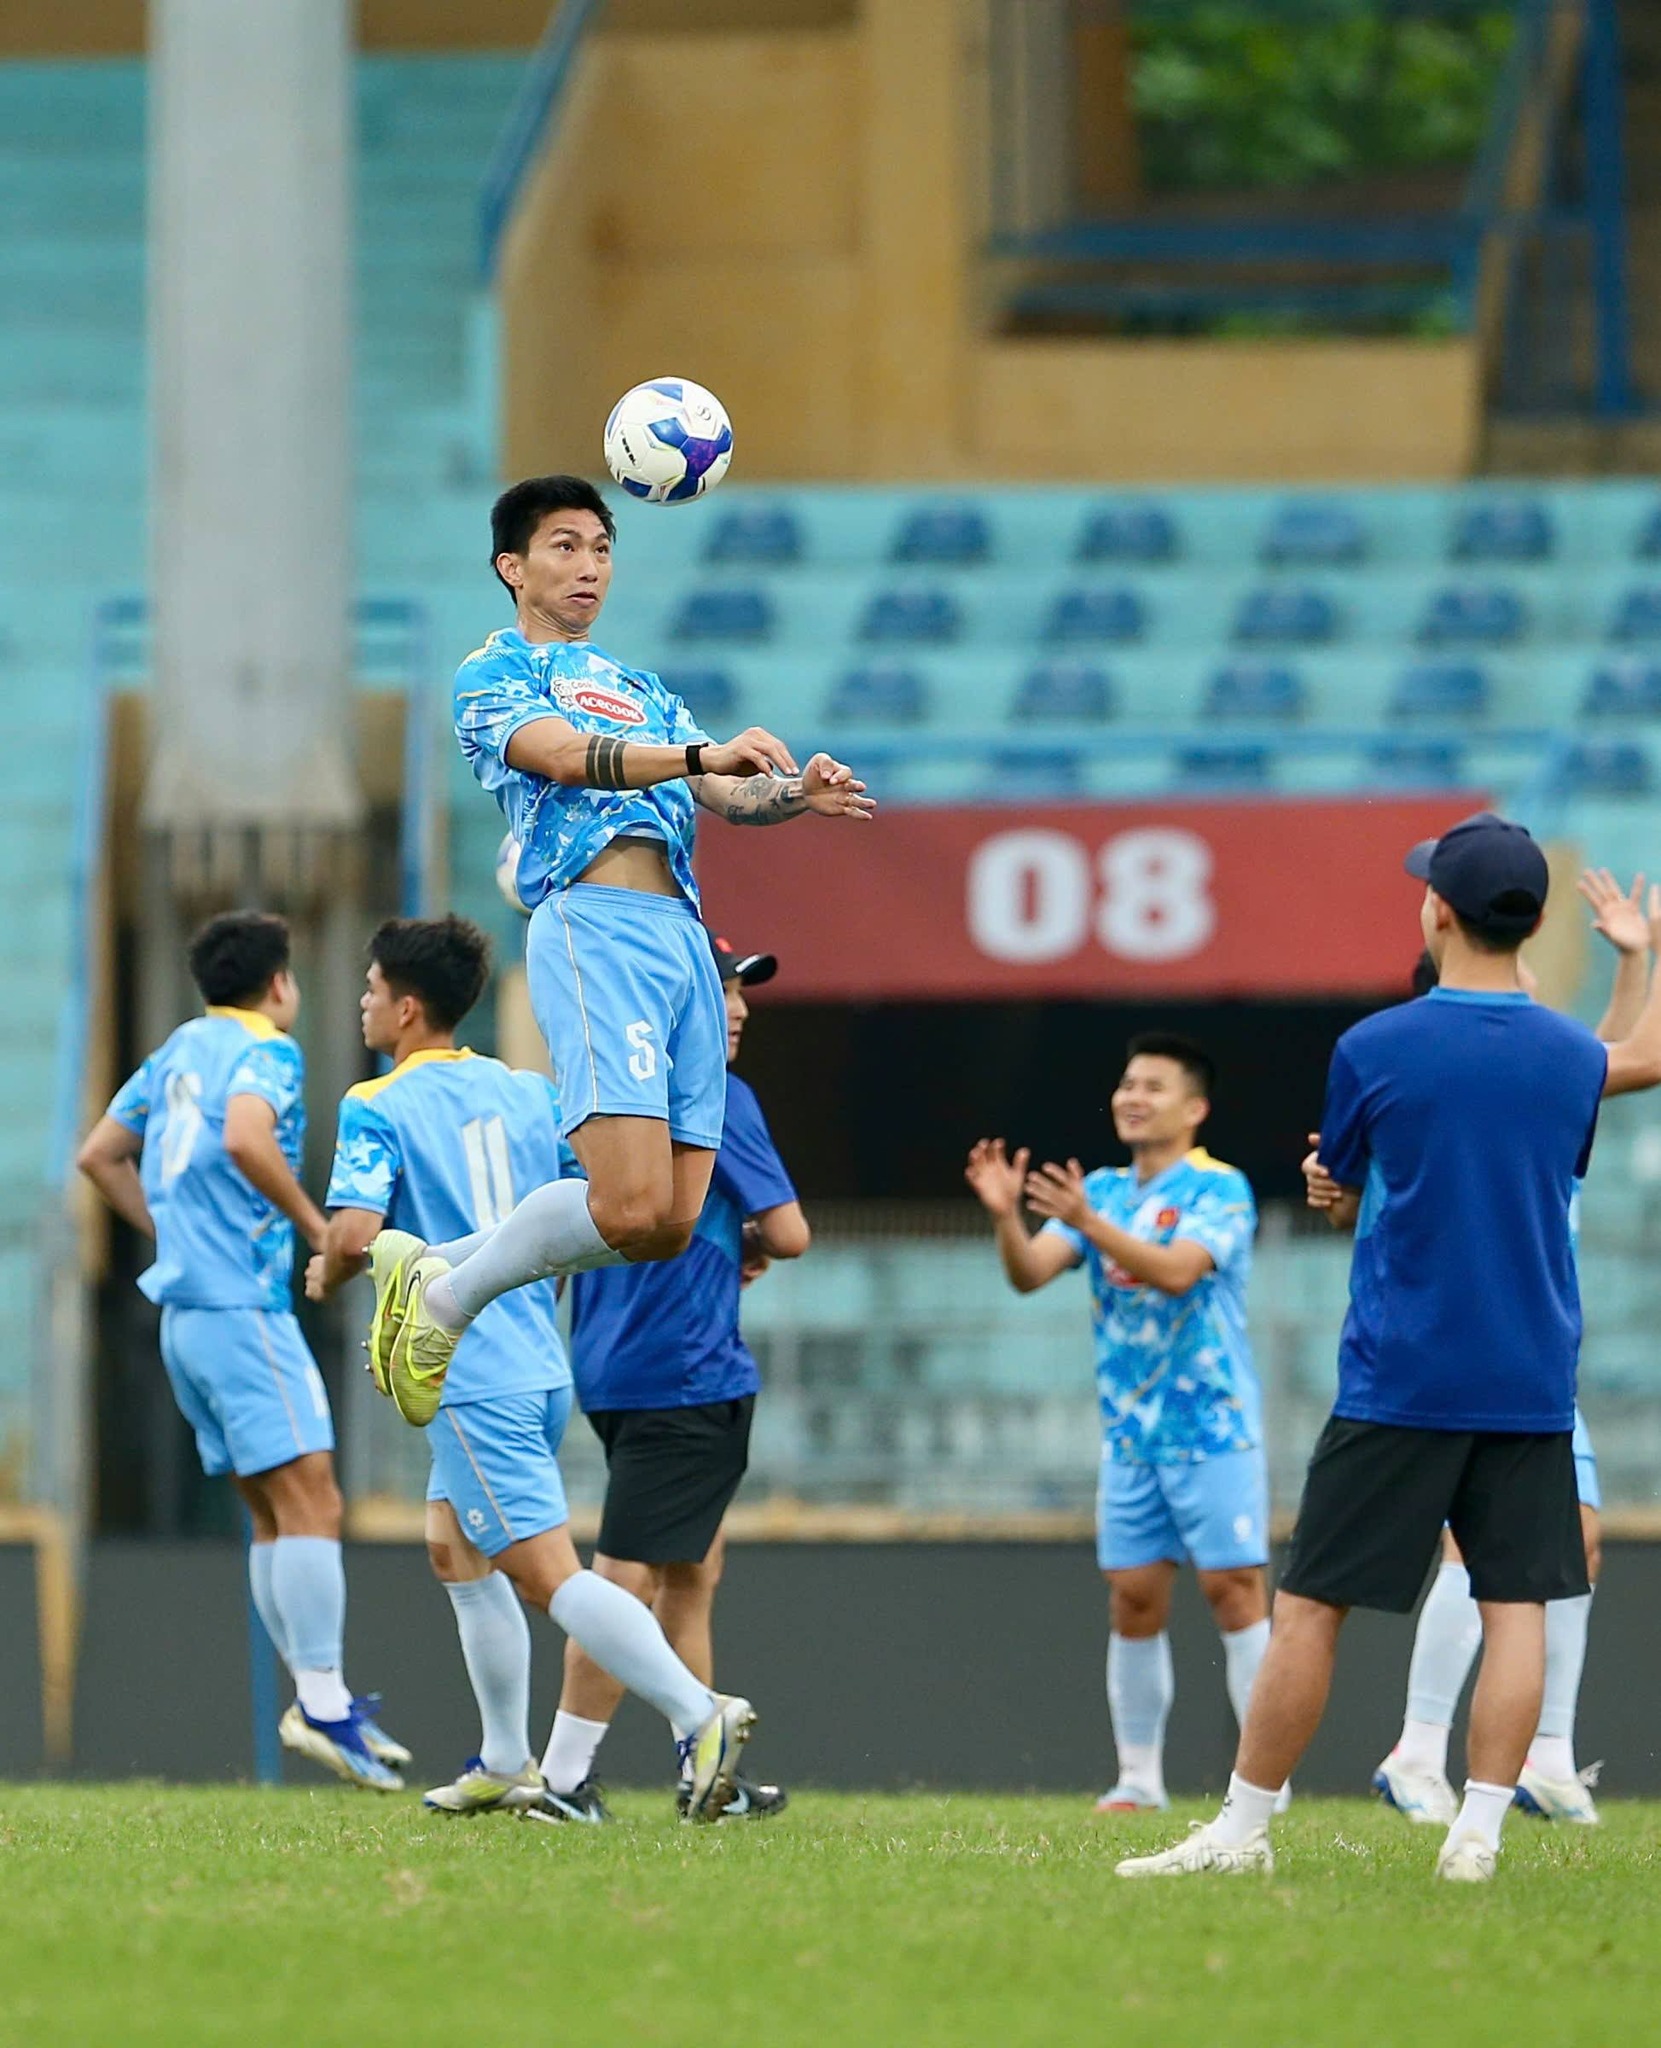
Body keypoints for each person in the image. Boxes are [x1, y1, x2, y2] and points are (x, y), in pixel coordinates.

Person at [1118, 813, 1661, 1886]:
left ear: (1436, 912)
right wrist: (1633, 961)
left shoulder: (1373, 1045)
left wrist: (1332, 1189)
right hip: (1527, 1374)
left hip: (1400, 1371)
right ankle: (1476, 1834)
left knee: (1310, 1603)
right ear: (1539, 919)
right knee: (1516, 1606)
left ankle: (1240, 1827)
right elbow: (1558, 1142)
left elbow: (1351, 1183)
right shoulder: (1565, 1055)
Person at [360, 475, 873, 1430]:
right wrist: (695, 758)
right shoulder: (495, 673)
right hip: (594, 926)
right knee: (624, 1197)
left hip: (680, 933)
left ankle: (442, 1260)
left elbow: (730, 796)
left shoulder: (643, 690)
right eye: (564, 546)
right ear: (512, 567)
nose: (589, 566)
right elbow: (558, 757)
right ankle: (444, 1300)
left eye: (600, 548)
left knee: (667, 1224)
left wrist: (795, 792)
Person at [308, 915, 757, 1823]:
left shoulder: (377, 1103)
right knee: (454, 1547)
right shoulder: (524, 1091)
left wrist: (327, 1263)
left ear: (404, 1006)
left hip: (466, 1366)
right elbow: (576, 1202)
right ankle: (506, 1757)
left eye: (367, 988)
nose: (360, 1002)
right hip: (535, 1357)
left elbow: (355, 1233)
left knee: (548, 1573)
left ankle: (694, 1713)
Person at [1330, 868, 1657, 1829]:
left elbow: (1610, 1060)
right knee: (1486, 1560)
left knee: (1568, 1546)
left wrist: (1631, 958)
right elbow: (1625, 1059)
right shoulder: (1437, 1077)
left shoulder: (1543, 1072)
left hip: (1530, 1349)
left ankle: (1541, 1754)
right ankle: (1419, 1748)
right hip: (1465, 1348)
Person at [76, 910, 407, 1792]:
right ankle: (327, 1703)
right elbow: (245, 1137)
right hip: (243, 1310)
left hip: (186, 1311)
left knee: (270, 1510)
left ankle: (317, 1696)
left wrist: (171, 1230)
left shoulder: (179, 1048)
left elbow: (101, 1155)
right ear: (278, 984)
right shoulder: (267, 1049)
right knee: (315, 1499)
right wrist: (315, 1230)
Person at [965, 1035, 1270, 1814]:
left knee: (1234, 1590)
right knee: (1133, 1596)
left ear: (1193, 1108)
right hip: (1129, 1434)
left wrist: (1087, 1223)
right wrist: (1007, 1218)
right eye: (1126, 1083)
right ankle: (1138, 1779)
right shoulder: (1097, 1187)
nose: (1132, 1096)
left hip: (1210, 1423)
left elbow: (1174, 1273)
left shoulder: (1219, 1188)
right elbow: (1030, 1273)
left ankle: (1266, 1778)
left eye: (1152, 1086)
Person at [541, 931, 807, 1822]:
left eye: (740, 992)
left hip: (610, 1368)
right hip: (687, 1375)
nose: (736, 1009)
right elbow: (793, 1230)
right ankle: (565, 1781)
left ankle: (708, 1778)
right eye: (721, 991)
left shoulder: (605, 1103)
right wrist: (756, 1236)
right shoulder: (718, 1096)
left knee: (691, 1573)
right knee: (623, 1582)